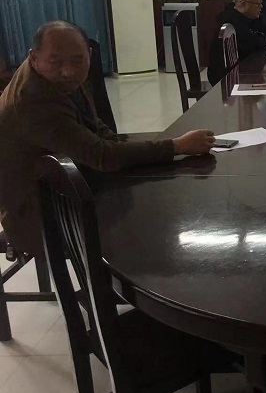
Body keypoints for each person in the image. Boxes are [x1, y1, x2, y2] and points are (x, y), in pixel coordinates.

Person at [0, 21, 215, 258]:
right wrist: (177, 146)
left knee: (157, 191)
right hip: (40, 214)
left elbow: (94, 124)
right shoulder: (34, 100)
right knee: (157, 224)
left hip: (62, 182)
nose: (67, 71)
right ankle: (122, 280)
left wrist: (120, 144)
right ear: (34, 58)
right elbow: (102, 157)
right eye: (56, 62)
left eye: (77, 60)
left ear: (89, 55)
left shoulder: (55, 77)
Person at [207, 0, 266, 85]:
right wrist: (260, 37)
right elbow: (255, 44)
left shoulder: (246, 17)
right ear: (244, 4)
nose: (261, 6)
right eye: (258, 3)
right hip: (227, 78)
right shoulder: (232, 21)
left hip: (240, 70)